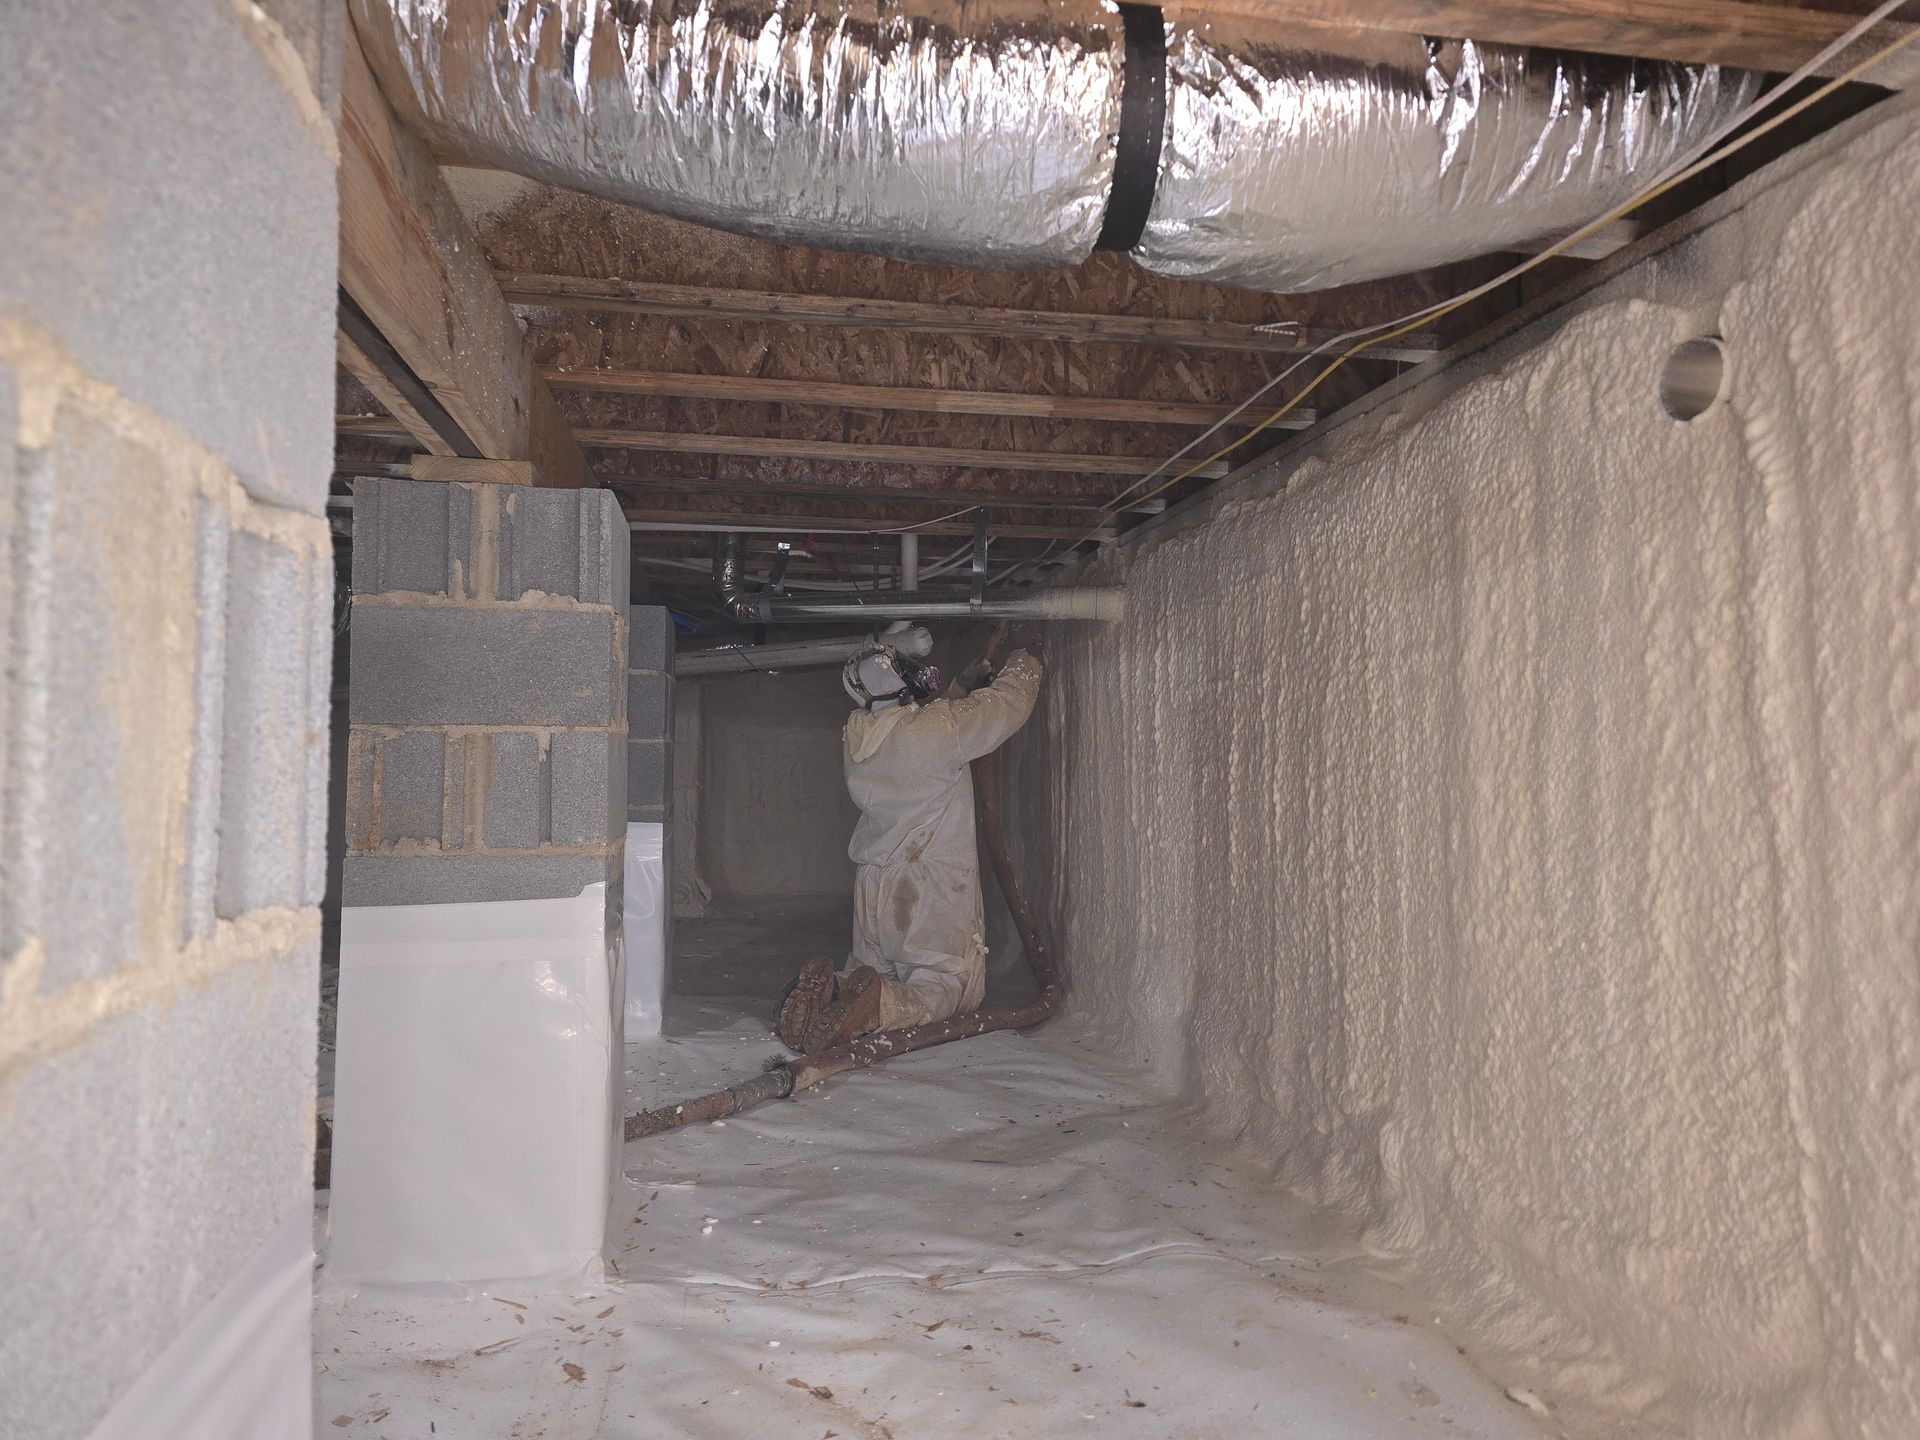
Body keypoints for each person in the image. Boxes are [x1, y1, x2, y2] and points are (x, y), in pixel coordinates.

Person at [777, 624, 1044, 1054]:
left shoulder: (857, 737)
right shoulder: (937, 730)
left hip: (874, 884)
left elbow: (926, 731)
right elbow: (1008, 705)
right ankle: (877, 1008)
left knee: (871, 969)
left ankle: (832, 991)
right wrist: (1024, 660)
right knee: (942, 987)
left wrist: (961, 685)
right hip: (923, 891)